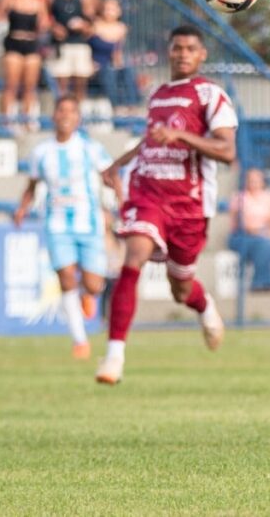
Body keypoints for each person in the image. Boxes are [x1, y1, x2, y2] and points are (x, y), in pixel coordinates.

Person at [94, 24, 238, 385]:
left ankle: (205, 308)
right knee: (133, 257)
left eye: (191, 48)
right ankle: (114, 356)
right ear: (169, 51)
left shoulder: (210, 95)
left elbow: (226, 151)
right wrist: (118, 164)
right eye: (177, 48)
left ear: (202, 55)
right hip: (149, 195)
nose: (183, 54)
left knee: (181, 289)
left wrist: (180, 135)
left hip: (189, 206)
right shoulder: (157, 95)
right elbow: (151, 142)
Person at [14, 96, 116, 359]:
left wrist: (122, 199)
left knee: (94, 285)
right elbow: (32, 185)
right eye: (62, 110)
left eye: (72, 111)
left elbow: (110, 175)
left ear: (78, 118)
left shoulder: (90, 148)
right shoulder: (41, 152)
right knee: (67, 278)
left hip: (89, 222)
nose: (66, 115)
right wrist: (22, 208)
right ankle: (80, 341)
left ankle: (88, 294)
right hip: (57, 223)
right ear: (54, 116)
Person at [0, 0, 49, 121]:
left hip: (31, 42)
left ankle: (27, 118)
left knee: (30, 86)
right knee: (11, 84)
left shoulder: (39, 1)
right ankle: (6, 119)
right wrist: (2, 17)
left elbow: (45, 22)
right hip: (14, 41)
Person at [50, 0, 93, 100]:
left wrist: (84, 26)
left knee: (80, 83)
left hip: (79, 44)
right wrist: (54, 27)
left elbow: (91, 22)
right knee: (62, 82)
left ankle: (79, 112)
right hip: (62, 45)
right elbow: (46, 19)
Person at [88, 0, 139, 109]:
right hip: (97, 66)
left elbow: (118, 52)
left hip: (112, 65)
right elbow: (87, 48)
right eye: (107, 8)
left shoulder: (121, 28)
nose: (110, 12)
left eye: (113, 8)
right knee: (108, 73)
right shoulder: (94, 26)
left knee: (127, 71)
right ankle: (116, 107)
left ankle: (132, 105)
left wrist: (119, 64)